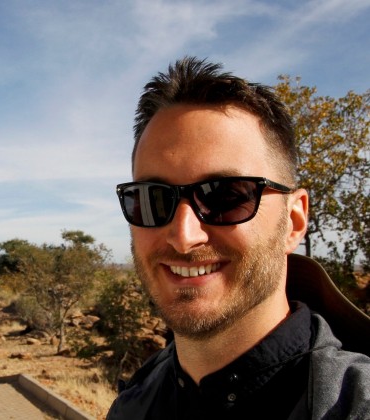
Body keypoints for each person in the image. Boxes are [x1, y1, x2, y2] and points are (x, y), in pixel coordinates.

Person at [108, 57, 370, 419]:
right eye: (153, 200)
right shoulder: (132, 405)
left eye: (225, 196)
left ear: (294, 222)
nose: (183, 236)